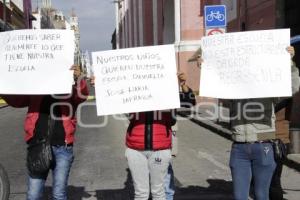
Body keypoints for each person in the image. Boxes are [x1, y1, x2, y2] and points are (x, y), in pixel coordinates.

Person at [197, 46, 299, 200]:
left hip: (263, 146)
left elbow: (293, 87)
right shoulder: (233, 91)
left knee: (261, 195)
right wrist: (206, 68)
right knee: (239, 196)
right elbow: (215, 87)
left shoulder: (269, 89)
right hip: (239, 148)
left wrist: (289, 62)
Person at [0, 65, 89, 200]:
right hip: (38, 145)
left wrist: (79, 78)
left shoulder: (67, 80)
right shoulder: (35, 81)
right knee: (33, 195)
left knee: (59, 194)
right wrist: (4, 86)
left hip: (63, 147)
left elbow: (81, 96)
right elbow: (17, 100)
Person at [125, 72, 195, 200]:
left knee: (158, 192)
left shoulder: (168, 89)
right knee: (141, 194)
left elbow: (189, 101)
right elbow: (112, 99)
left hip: (160, 148)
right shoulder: (132, 87)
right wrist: (103, 85)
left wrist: (182, 84)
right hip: (135, 148)